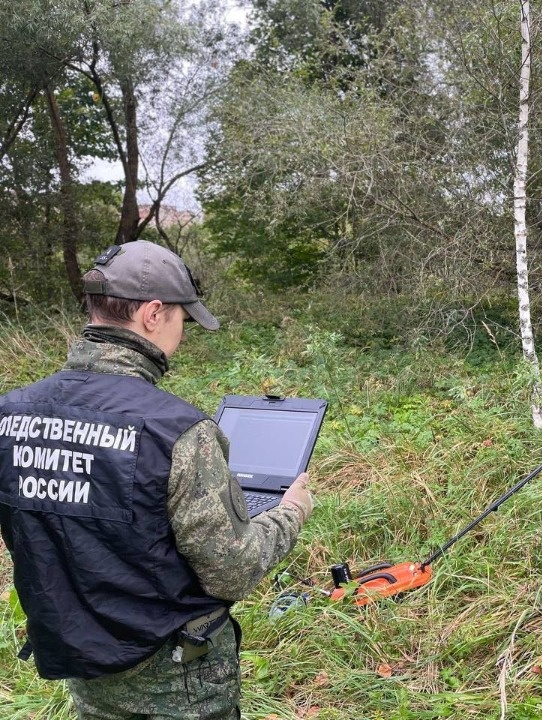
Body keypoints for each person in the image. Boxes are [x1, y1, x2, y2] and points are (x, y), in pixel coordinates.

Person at [0, 240, 315, 719]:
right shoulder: (177, 430)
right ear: (152, 314)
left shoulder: (11, 413)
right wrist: (289, 513)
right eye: (181, 321)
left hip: (81, 659)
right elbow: (233, 569)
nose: (180, 336)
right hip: (175, 675)